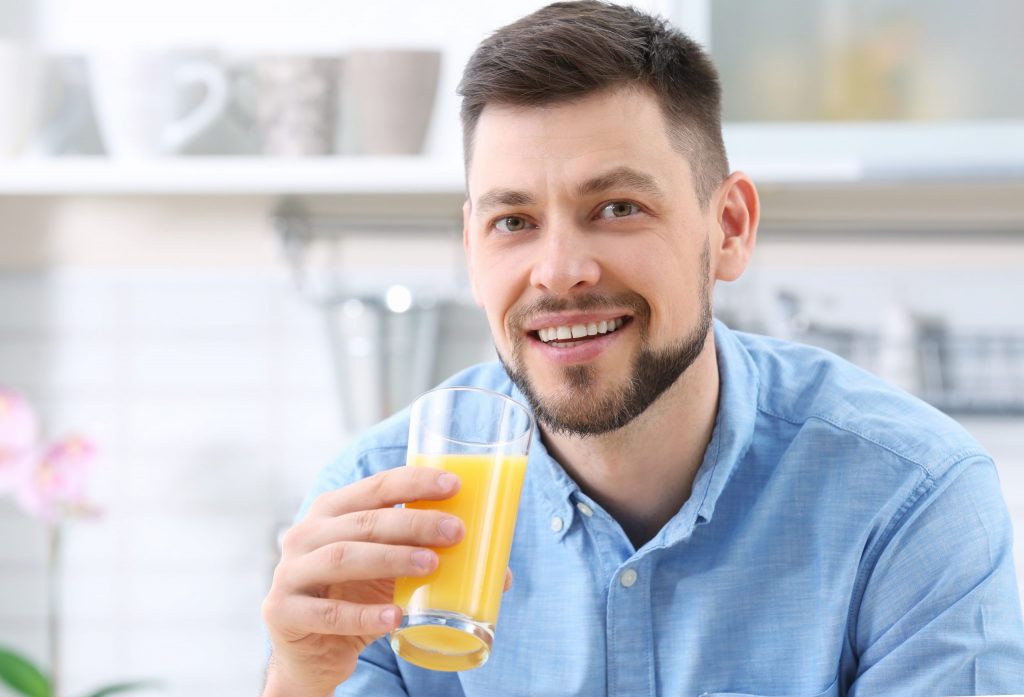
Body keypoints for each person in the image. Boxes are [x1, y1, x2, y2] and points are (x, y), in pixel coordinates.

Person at [261, 2, 1024, 695]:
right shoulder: (378, 504)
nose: (558, 271)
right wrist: (299, 677)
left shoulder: (910, 500)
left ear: (728, 228)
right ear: (471, 246)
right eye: (513, 222)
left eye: (617, 207)